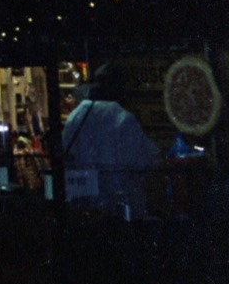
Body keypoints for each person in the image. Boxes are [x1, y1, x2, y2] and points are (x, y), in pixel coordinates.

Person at [62, 63, 159, 218]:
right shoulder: (122, 118)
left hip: (83, 209)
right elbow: (145, 160)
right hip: (121, 209)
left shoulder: (75, 117)